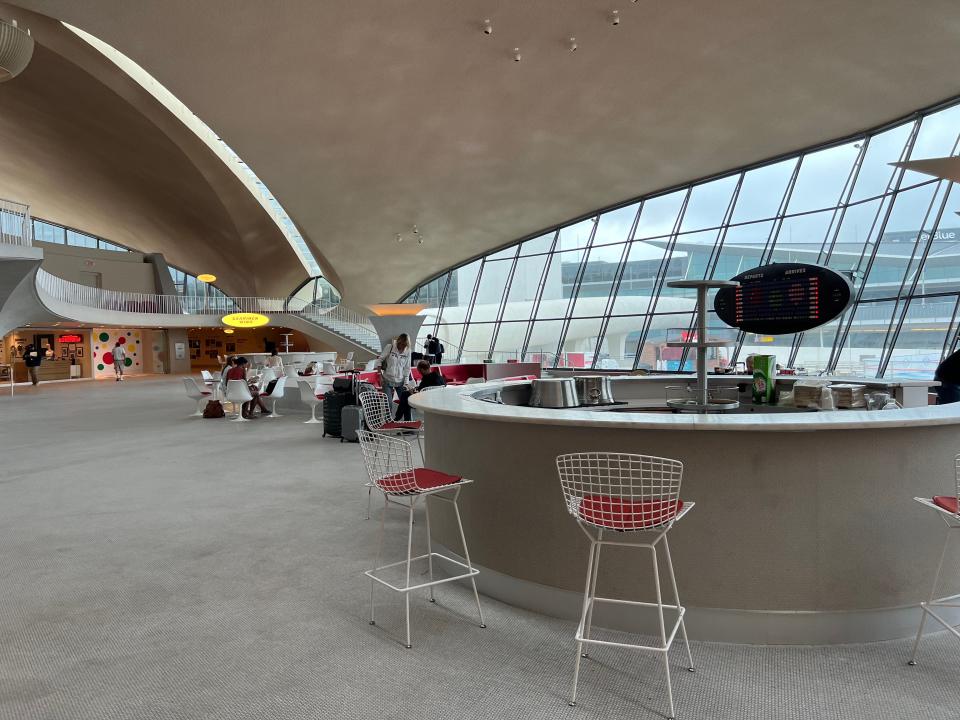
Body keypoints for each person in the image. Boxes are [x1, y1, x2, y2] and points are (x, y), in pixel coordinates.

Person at [376, 333, 412, 413]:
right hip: (387, 380)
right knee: (388, 403)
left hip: (400, 381)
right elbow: (379, 360)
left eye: (405, 345)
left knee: (406, 403)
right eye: (401, 344)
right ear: (398, 342)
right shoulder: (390, 347)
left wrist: (406, 383)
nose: (402, 347)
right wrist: (380, 375)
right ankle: (388, 422)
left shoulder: (408, 351)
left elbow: (407, 367)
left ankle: (409, 421)